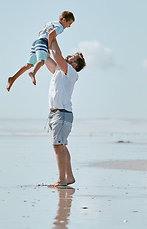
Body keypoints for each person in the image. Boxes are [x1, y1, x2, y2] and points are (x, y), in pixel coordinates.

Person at [45, 32, 86, 187]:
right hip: (57, 114)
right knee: (62, 145)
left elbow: (57, 54)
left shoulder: (71, 72)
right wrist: (44, 42)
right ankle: (69, 177)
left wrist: (52, 35)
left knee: (58, 146)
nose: (68, 56)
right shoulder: (59, 71)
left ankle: (61, 179)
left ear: (74, 65)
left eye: (72, 58)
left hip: (61, 114)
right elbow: (47, 58)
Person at [6, 11, 75, 91]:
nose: (69, 26)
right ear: (64, 20)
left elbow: (40, 32)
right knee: (41, 61)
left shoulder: (51, 23)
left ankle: (13, 78)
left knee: (28, 65)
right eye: (69, 23)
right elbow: (51, 34)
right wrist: (49, 46)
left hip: (36, 42)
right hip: (43, 42)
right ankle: (33, 72)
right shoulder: (60, 28)